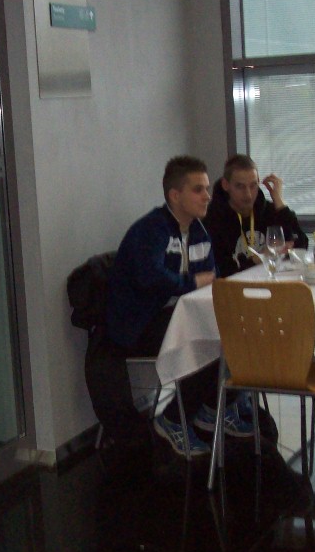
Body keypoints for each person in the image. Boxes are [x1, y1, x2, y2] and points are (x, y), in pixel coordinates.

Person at [106, 155, 253, 456]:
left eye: (207, 189)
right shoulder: (151, 230)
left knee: (240, 328)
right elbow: (150, 278)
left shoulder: (199, 231)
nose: (208, 196)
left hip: (177, 316)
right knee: (205, 338)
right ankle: (173, 419)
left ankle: (212, 406)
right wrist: (192, 282)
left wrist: (208, 284)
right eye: (198, 189)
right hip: (139, 323)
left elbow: (211, 277)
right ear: (175, 195)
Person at [204, 153, 308, 277]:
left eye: (253, 185)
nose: (248, 194)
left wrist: (280, 203)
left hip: (272, 282)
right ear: (226, 185)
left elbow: (301, 246)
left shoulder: (269, 210)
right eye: (240, 186)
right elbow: (222, 271)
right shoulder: (213, 219)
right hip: (234, 287)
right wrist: (259, 258)